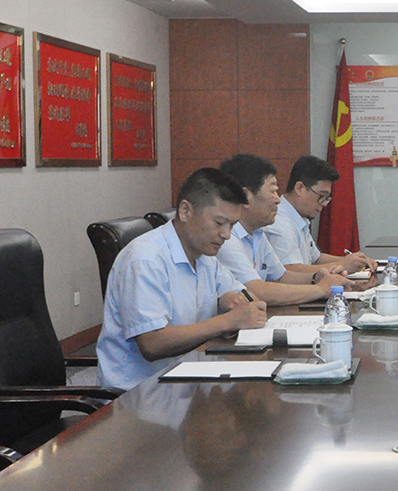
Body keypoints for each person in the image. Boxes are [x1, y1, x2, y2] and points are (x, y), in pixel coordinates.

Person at [96, 168, 268, 390]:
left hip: (187, 380)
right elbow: (152, 343)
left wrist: (230, 299)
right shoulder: (146, 260)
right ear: (186, 211)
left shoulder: (204, 255)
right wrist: (228, 321)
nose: (226, 234)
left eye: (232, 225)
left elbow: (236, 292)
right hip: (139, 394)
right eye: (219, 223)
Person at [217, 154, 356, 305]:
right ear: (245, 196)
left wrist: (316, 277)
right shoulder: (226, 237)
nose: (278, 199)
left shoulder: (257, 233)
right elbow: (257, 290)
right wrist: (320, 289)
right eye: (272, 191)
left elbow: (280, 277)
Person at [263, 155, 376, 275]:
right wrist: (342, 265)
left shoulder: (299, 218)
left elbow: (316, 259)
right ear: (299, 188)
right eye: (321, 196)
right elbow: (290, 270)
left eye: (327, 198)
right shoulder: (279, 222)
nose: (324, 204)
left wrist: (355, 261)